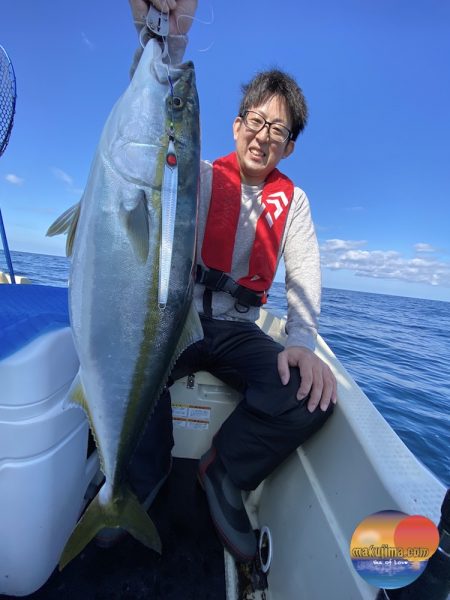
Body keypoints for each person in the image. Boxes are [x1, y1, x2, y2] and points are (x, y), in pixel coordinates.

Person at [96, 0, 337, 562]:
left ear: (290, 145)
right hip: (176, 316)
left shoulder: (294, 202)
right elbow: (155, 126)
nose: (262, 135)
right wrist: (163, 43)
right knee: (141, 379)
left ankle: (223, 471)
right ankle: (142, 476)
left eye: (277, 129)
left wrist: (301, 341)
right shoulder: (197, 171)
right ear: (237, 124)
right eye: (255, 121)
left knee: (312, 399)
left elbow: (305, 276)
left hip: (234, 329)